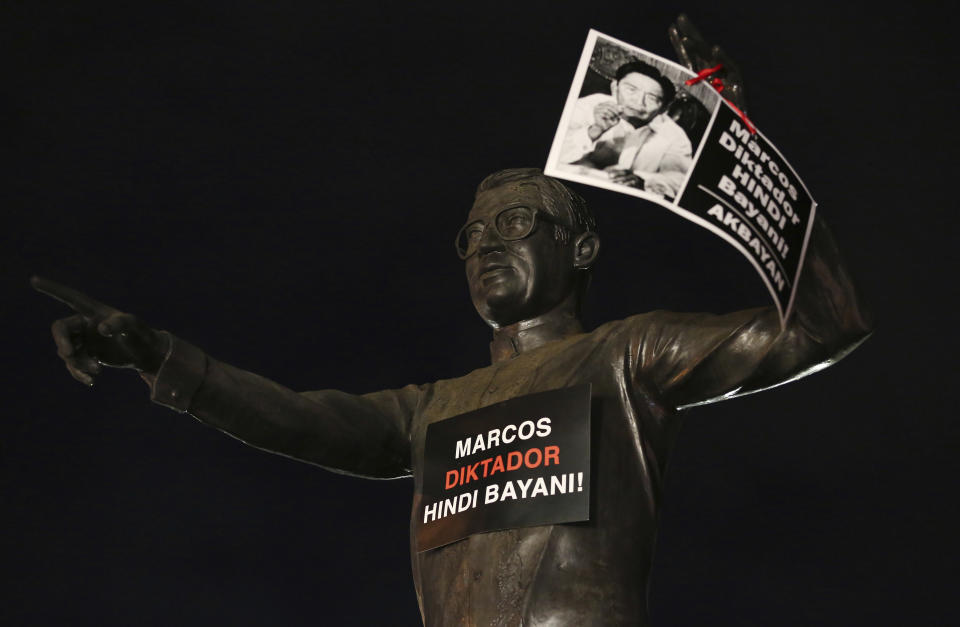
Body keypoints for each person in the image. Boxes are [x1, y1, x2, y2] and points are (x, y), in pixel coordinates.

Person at [33, 19, 872, 627]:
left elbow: (820, 327)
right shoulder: (432, 409)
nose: (484, 248)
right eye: (472, 236)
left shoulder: (624, 355)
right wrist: (159, 356)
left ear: (581, 246)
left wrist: (742, 152)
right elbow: (298, 417)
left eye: (515, 224)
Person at [558, 60, 693, 198]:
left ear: (664, 108)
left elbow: (680, 180)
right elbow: (553, 152)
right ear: (614, 88)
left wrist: (643, 181)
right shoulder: (587, 106)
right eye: (631, 90)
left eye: (652, 98)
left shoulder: (674, 134)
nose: (638, 102)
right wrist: (594, 130)